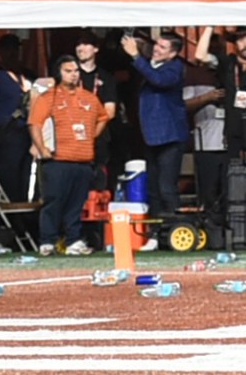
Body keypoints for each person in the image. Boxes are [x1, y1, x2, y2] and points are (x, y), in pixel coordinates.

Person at [29, 52, 111, 254]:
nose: (73, 75)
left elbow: (103, 116)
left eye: (76, 71)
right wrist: (42, 148)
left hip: (83, 159)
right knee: (54, 201)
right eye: (68, 71)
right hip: (58, 159)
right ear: (59, 73)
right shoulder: (48, 98)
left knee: (76, 204)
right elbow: (34, 124)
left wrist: (91, 136)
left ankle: (74, 240)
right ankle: (47, 241)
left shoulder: (89, 98)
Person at [124, 30, 194, 221]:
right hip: (151, 135)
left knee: (166, 186)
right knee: (152, 187)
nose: (156, 48)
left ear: (172, 53)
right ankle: (156, 230)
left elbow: (159, 80)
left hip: (170, 136)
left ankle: (175, 226)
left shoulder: (175, 67)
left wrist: (136, 56)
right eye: (157, 44)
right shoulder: (152, 64)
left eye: (163, 47)